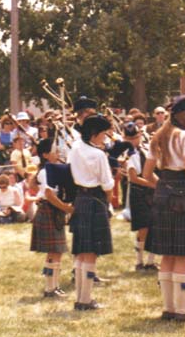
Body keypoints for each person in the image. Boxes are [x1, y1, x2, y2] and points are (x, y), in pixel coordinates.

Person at [143, 94, 185, 322]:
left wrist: (162, 186)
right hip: (183, 195)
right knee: (182, 255)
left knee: (167, 255)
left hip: (163, 194)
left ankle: (168, 309)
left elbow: (146, 173)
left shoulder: (158, 136)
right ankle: (181, 311)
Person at [68, 115, 115, 311]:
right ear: (94, 134)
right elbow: (108, 184)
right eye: (104, 134)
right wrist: (109, 203)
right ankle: (85, 300)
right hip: (96, 199)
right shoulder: (98, 155)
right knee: (91, 252)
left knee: (80, 251)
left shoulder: (76, 148)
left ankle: (81, 298)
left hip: (80, 198)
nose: (106, 138)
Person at [30, 139, 74, 298]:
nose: (57, 153)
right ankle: (50, 289)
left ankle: (54, 286)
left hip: (54, 211)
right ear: (45, 155)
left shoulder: (53, 170)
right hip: (49, 210)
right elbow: (48, 194)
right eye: (54, 151)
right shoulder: (45, 172)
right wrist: (67, 208)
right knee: (54, 251)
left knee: (57, 251)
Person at [123, 123, 157, 271]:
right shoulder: (128, 154)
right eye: (130, 138)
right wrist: (153, 185)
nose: (134, 141)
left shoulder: (144, 149)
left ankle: (150, 261)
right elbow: (133, 178)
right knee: (143, 227)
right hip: (139, 193)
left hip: (150, 191)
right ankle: (139, 262)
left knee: (154, 226)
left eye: (136, 137)